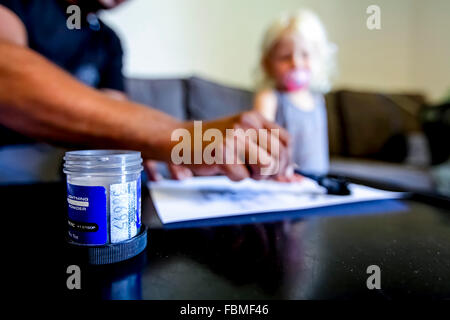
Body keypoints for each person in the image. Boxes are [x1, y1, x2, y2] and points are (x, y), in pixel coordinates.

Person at [0, 0, 291, 184]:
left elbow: (116, 122)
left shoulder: (108, 42)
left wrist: (145, 145)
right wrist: (177, 137)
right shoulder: (21, 4)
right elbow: (6, 72)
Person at [253, 10, 336, 176]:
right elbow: (260, 144)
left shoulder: (317, 100)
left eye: (305, 54)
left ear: (318, 58)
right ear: (267, 64)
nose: (296, 63)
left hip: (317, 182)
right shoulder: (269, 98)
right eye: (285, 57)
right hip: (285, 182)